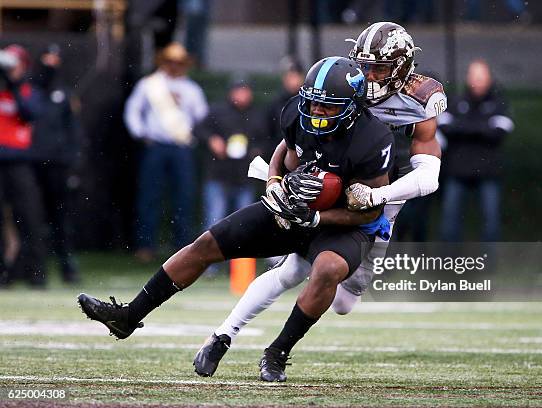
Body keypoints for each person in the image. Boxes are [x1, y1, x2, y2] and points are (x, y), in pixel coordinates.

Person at [78, 56, 395, 383]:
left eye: (327, 107)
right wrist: (275, 182)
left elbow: (370, 209)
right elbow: (283, 151)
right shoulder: (296, 114)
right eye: (313, 104)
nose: (316, 112)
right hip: (292, 209)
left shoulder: (373, 139)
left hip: (344, 224)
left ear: (353, 107)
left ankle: (277, 353)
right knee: (205, 245)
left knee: (328, 269)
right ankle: (128, 316)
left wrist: (316, 217)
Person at [192, 22, 445, 380]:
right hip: (329, 183)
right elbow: (294, 134)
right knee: (292, 269)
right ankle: (224, 336)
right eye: (365, 65)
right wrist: (275, 178)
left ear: (402, 68)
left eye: (379, 68)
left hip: (381, 202)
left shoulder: (421, 98)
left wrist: (377, 195)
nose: (369, 75)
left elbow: (429, 178)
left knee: (345, 301)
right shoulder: (342, 82)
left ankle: (261, 330)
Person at [124, 42, 208, 262]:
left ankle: (182, 247)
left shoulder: (191, 89)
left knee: (184, 197)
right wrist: (141, 134)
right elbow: (133, 110)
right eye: (171, 62)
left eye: (179, 62)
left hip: (182, 147)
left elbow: (201, 116)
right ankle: (145, 245)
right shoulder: (149, 85)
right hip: (157, 146)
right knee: (149, 196)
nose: (175, 66)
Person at [438, 59, 513, 242]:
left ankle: (488, 265)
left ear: (489, 79)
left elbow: (499, 132)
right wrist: (482, 127)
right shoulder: (456, 101)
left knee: (491, 221)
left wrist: (463, 127)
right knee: (450, 221)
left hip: (488, 172)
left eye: (481, 77)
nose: (478, 81)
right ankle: (448, 264)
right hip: (457, 170)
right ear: (468, 78)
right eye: (474, 77)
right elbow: (445, 127)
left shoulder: (499, 103)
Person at [30, 45, 81, 283]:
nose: (50, 63)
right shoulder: (30, 91)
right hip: (31, 163)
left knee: (61, 218)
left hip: (58, 164)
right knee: (32, 217)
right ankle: (34, 269)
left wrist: (73, 163)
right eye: (47, 58)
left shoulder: (64, 94)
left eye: (54, 59)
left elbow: (73, 131)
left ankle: (67, 266)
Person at [0, 44, 46, 287]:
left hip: (20, 162)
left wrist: (14, 86)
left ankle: (35, 272)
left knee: (29, 217)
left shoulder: (28, 91)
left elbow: (29, 113)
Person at [199, 79, 266, 230]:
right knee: (215, 218)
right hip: (218, 173)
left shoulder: (256, 115)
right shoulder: (218, 111)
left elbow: (264, 140)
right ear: (231, 92)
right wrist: (212, 140)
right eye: (239, 90)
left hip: (244, 175)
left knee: (244, 219)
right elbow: (199, 129)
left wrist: (256, 150)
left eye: (245, 91)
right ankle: (211, 252)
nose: (242, 95)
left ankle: (241, 253)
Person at [264, 57, 304, 159]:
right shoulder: (275, 103)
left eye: (296, 76)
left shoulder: (308, 102)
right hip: (280, 153)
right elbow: (268, 133)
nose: (293, 81)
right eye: (290, 76)